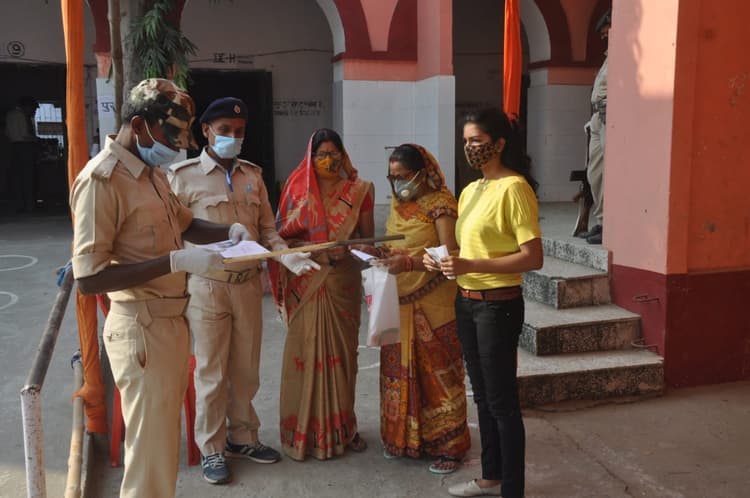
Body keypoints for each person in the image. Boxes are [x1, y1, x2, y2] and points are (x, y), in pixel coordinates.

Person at [70, 79, 256, 498]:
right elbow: (88, 278)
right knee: (150, 456)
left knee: (161, 448)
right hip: (141, 329)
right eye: (172, 135)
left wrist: (230, 229)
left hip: (170, 324)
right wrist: (174, 262)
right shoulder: (102, 181)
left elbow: (186, 224)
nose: (178, 146)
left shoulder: (151, 174)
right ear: (138, 125)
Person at [169, 97, 319, 484]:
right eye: (224, 130)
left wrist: (286, 256)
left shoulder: (253, 175)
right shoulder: (182, 177)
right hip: (207, 286)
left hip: (248, 285)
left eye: (239, 132)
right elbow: (171, 234)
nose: (232, 137)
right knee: (212, 371)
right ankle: (212, 448)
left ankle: (242, 438)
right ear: (206, 131)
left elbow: (268, 229)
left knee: (247, 369)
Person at [425, 108, 543, 498]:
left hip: (498, 306)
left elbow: (532, 257)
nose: (469, 148)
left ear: (499, 143)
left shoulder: (515, 188)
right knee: (482, 395)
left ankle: (513, 489)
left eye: (476, 140)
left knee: (502, 401)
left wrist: (471, 265)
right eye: (465, 141)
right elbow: (468, 250)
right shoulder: (471, 190)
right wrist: (443, 259)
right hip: (467, 302)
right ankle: (492, 475)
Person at [269, 128, 374, 460]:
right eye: (322, 155)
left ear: (344, 155)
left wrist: (348, 250)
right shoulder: (296, 189)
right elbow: (281, 239)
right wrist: (312, 250)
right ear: (310, 158)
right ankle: (303, 434)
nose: (329, 160)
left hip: (342, 282)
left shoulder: (360, 190)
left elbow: (367, 244)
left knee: (344, 360)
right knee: (304, 355)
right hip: (306, 281)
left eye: (334, 154)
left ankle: (344, 429)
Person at [372, 144, 471, 474]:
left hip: (434, 303)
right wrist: (379, 253)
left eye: (403, 176)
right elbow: (395, 244)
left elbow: (450, 256)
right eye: (392, 177)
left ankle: (449, 446)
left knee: (439, 377)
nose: (398, 183)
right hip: (398, 299)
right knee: (397, 372)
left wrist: (410, 263)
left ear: (422, 173)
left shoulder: (441, 206)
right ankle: (403, 439)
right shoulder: (398, 206)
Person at [579, 8, 611, 245]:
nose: (604, 37)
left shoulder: (624, 53)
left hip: (611, 116)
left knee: (609, 172)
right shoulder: (609, 56)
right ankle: (601, 221)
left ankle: (610, 224)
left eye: (606, 32)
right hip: (599, 117)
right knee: (595, 172)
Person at [5, 96, 38, 212]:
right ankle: (29, 205)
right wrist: (35, 139)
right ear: (27, 106)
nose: (33, 111)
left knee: (17, 177)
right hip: (24, 147)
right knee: (28, 177)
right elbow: (24, 134)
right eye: (33, 109)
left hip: (13, 147)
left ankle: (19, 204)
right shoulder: (22, 116)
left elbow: (7, 133)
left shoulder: (9, 115)